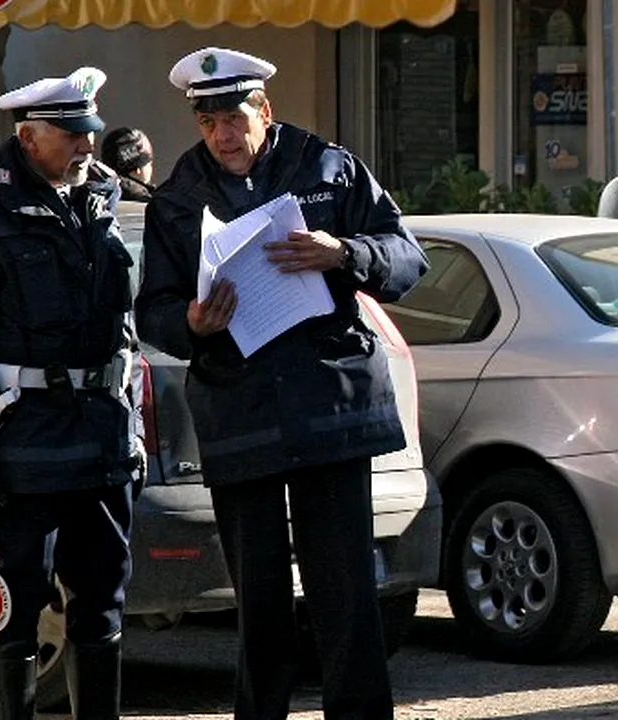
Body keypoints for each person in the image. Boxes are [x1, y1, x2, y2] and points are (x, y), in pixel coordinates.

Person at [135, 47, 428, 720]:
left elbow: (407, 257)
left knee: (346, 596)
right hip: (242, 413)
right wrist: (190, 320)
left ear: (263, 110)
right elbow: (152, 309)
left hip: (328, 408)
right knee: (260, 603)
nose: (222, 136)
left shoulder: (329, 167)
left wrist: (344, 253)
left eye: (234, 118)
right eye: (207, 123)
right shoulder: (178, 199)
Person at [0, 67, 144, 720]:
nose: (86, 148)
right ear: (29, 139)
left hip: (100, 439)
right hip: (22, 443)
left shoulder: (101, 197)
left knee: (102, 598)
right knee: (18, 600)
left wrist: (130, 430)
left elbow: (125, 325)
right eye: (72, 137)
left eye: (90, 135)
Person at [100, 126, 156, 201]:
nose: (151, 168)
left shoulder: (102, 194)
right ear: (138, 170)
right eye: (149, 163)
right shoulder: (144, 201)